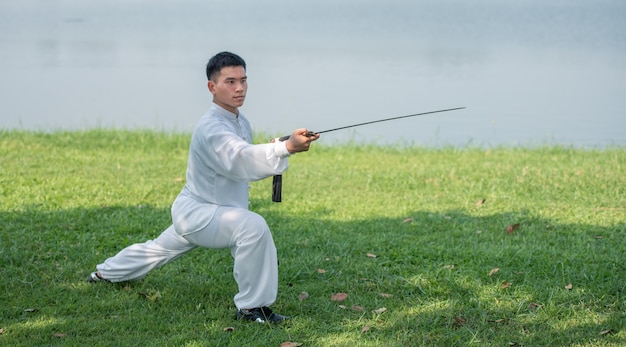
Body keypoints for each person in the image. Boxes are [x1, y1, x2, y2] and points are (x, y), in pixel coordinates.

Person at [88, 51, 320, 323]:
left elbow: (239, 157)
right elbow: (238, 159)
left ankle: (104, 273)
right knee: (253, 227)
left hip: (205, 212)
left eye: (244, 80)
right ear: (212, 87)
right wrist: (285, 147)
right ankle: (251, 309)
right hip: (201, 213)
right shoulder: (210, 127)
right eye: (230, 82)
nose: (240, 88)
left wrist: (275, 148)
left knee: (157, 250)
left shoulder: (239, 121)